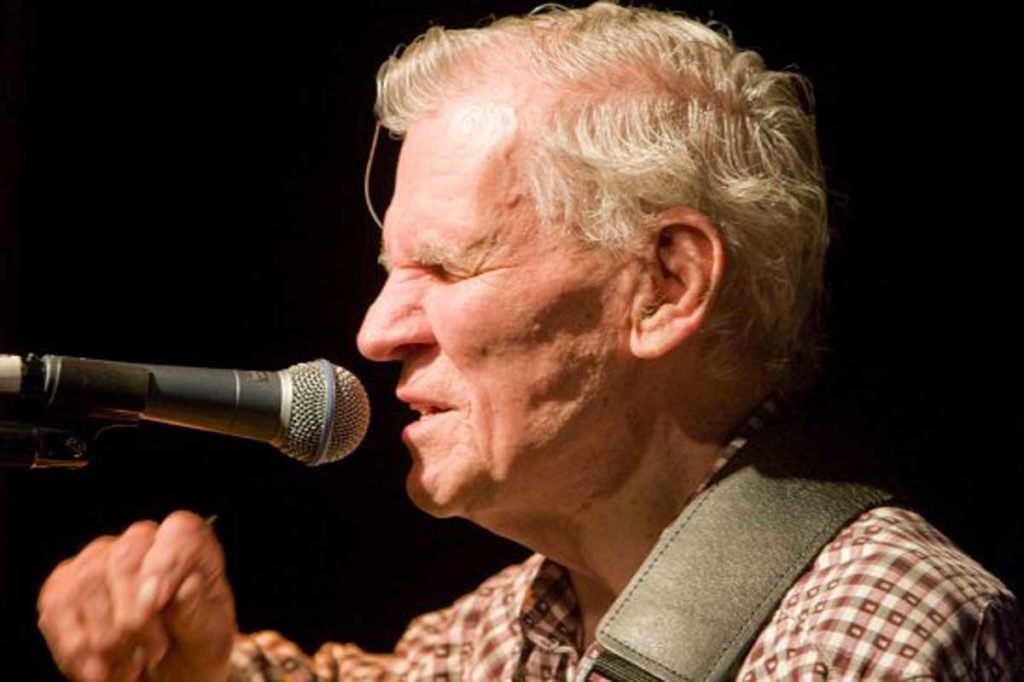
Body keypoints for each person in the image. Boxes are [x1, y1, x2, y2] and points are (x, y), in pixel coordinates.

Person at [36, 3, 1023, 681]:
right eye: (390, 273)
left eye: (448, 269)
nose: (374, 334)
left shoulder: (868, 627)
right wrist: (200, 669)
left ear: (664, 285)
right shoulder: (514, 621)